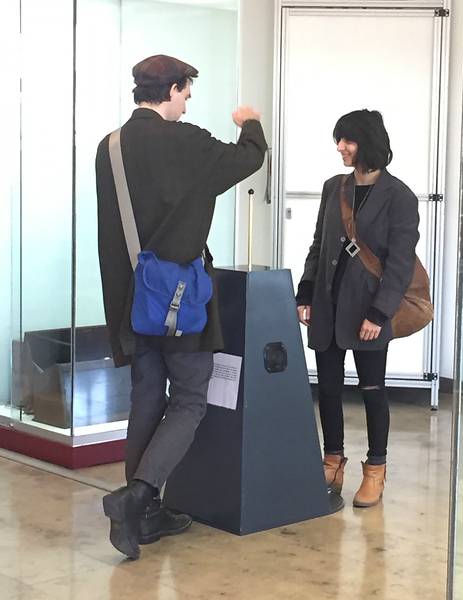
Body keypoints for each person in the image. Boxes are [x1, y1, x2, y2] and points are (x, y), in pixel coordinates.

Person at [95, 54, 266, 559]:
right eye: (186, 94)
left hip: (132, 301)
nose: (187, 104)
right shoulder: (187, 142)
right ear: (171, 90)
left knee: (147, 397)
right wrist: (249, 122)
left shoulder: (110, 147)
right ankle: (137, 496)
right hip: (180, 299)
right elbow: (248, 158)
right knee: (190, 398)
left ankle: (145, 517)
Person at [296, 109, 419, 508]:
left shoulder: (399, 196)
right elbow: (319, 244)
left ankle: (375, 469)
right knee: (328, 388)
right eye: (339, 139)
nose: (340, 147)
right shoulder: (334, 187)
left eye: (348, 140)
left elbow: (400, 263)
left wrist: (380, 314)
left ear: (368, 143)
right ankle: (332, 462)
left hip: (369, 310)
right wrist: (305, 293)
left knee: (372, 389)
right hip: (328, 304)